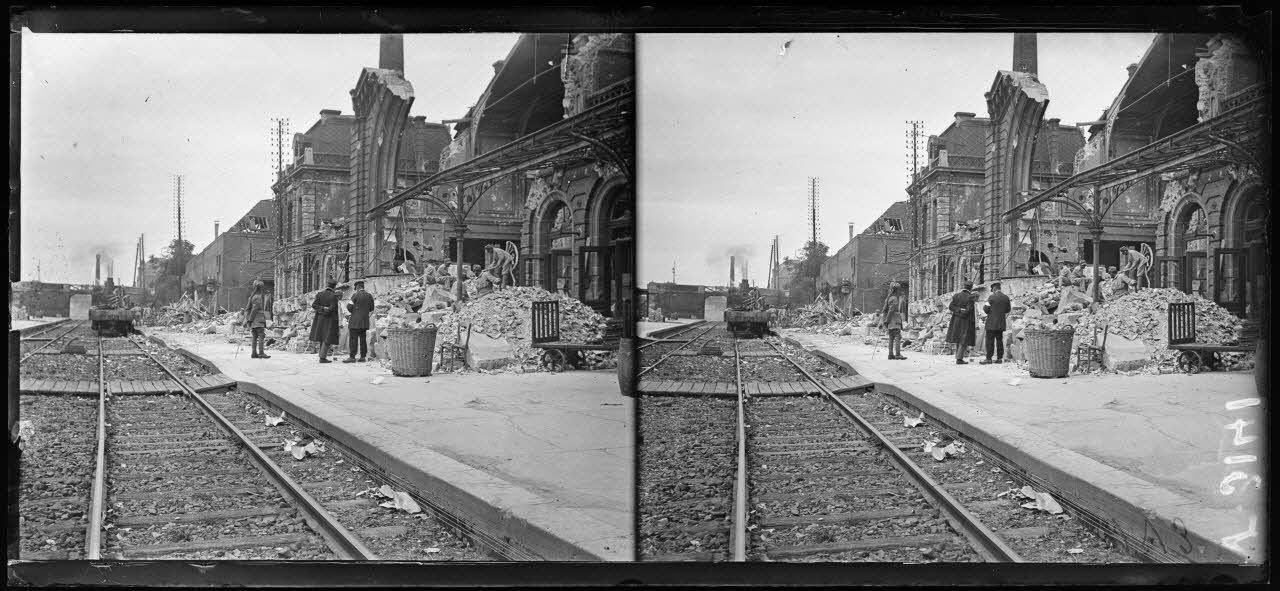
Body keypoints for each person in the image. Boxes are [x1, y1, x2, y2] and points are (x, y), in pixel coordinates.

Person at [946, 281, 977, 365]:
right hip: (965, 320)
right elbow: (968, 311)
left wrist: (958, 310)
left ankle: (958, 357)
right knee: (964, 339)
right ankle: (959, 359)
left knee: (958, 338)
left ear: (964, 286)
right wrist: (962, 311)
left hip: (956, 320)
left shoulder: (956, 296)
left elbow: (951, 307)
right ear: (971, 288)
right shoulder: (970, 297)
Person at [309, 279, 340, 363]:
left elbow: (314, 305)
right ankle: (322, 358)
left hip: (319, 319)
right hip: (329, 319)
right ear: (334, 286)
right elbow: (332, 309)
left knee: (322, 337)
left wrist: (321, 309)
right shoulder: (333, 296)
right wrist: (325, 309)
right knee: (327, 338)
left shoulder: (319, 294)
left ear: (327, 285)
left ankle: (321, 356)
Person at [343, 280, 374, 363]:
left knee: (353, 339)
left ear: (357, 287)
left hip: (355, 321)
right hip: (364, 321)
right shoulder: (369, 296)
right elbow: (371, 308)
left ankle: (352, 357)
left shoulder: (355, 295)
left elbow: (349, 307)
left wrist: (355, 310)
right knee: (363, 339)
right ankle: (363, 357)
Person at [980, 282, 1011, 364]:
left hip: (991, 323)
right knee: (999, 340)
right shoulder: (1006, 297)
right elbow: (1008, 309)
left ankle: (989, 358)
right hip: (1001, 323)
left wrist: (991, 312)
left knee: (989, 341)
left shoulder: (991, 297)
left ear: (994, 289)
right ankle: (999, 358)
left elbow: (985, 309)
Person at [242, 280, 273, 359]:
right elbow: (254, 310)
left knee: (255, 336)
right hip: (257, 319)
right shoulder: (258, 297)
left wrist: (249, 320)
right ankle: (261, 353)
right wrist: (250, 320)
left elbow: (248, 309)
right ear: (260, 288)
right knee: (261, 335)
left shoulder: (252, 296)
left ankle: (254, 353)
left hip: (254, 320)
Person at [879, 282, 907, 360]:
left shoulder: (888, 298)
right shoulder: (894, 298)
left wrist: (886, 321)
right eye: (899, 289)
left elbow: (885, 310)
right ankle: (897, 354)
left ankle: (890, 354)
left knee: (891, 338)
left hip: (890, 322)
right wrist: (886, 320)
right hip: (894, 321)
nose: (899, 291)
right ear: (896, 290)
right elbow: (891, 310)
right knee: (898, 337)